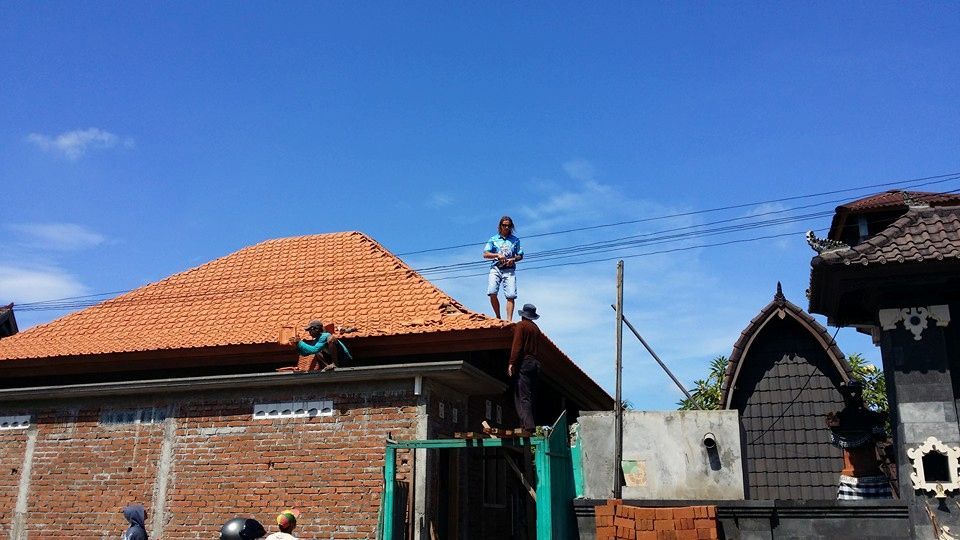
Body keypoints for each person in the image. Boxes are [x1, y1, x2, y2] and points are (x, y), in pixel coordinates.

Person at [826, 380, 892, 500]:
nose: (853, 396)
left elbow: (881, 436)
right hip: (855, 473)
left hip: (868, 471)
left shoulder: (866, 417)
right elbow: (881, 436)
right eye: (851, 393)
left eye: (855, 392)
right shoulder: (852, 417)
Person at [484, 216, 524, 321]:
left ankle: (509, 320)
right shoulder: (493, 239)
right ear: (500, 226)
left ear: (511, 227)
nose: (506, 227)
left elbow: (520, 255)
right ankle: (498, 316)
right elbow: (485, 254)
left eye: (509, 225)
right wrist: (497, 255)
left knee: (511, 295)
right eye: (504, 225)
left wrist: (513, 259)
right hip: (496, 268)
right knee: (492, 292)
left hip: (509, 269)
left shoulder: (515, 240)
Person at [509, 304, 541, 433]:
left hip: (525, 362)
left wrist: (511, 362)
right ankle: (527, 423)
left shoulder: (521, 326)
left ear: (523, 315)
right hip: (535, 363)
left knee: (522, 395)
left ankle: (527, 425)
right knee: (529, 395)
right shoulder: (536, 329)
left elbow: (517, 346)